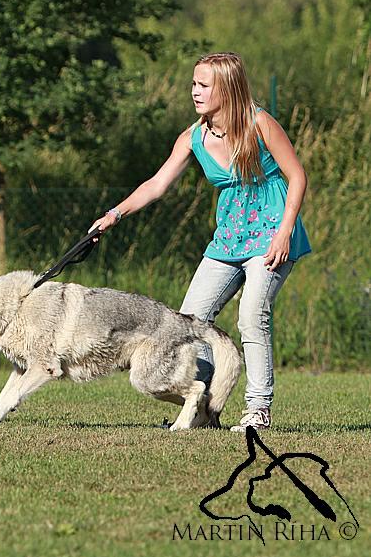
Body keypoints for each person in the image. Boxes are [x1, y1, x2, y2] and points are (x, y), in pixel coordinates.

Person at [90, 52, 311, 432]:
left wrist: (285, 231)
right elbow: (156, 185)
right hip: (228, 240)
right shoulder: (194, 137)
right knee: (187, 322)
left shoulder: (260, 123)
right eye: (194, 83)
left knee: (252, 315)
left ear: (226, 87)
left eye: (203, 85)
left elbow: (297, 176)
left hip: (272, 235)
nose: (195, 91)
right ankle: (203, 409)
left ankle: (258, 409)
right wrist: (114, 214)